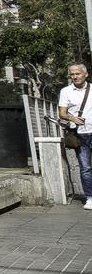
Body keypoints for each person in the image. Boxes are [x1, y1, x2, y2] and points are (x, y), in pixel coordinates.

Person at [58, 62, 92, 210]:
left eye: (77, 73)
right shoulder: (66, 91)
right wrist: (72, 119)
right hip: (80, 134)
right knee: (85, 167)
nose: (74, 76)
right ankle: (90, 198)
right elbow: (62, 113)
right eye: (72, 74)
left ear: (85, 74)